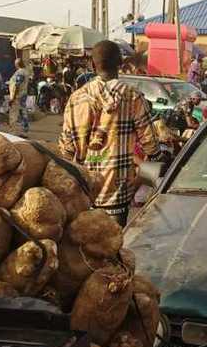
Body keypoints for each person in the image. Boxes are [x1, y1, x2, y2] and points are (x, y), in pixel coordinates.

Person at [59, 40, 157, 226]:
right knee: (112, 246)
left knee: (87, 247)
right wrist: (141, 180)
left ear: (92, 64)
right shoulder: (133, 96)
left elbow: (66, 151)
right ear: (120, 63)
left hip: (85, 191)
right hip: (119, 193)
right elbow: (152, 147)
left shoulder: (76, 99)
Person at [9, 59, 31, 135]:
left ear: (17, 64)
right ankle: (24, 131)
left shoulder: (20, 72)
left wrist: (13, 98)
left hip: (18, 96)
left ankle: (13, 132)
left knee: (14, 113)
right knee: (23, 112)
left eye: (15, 64)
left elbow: (17, 86)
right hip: (23, 94)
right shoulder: (26, 71)